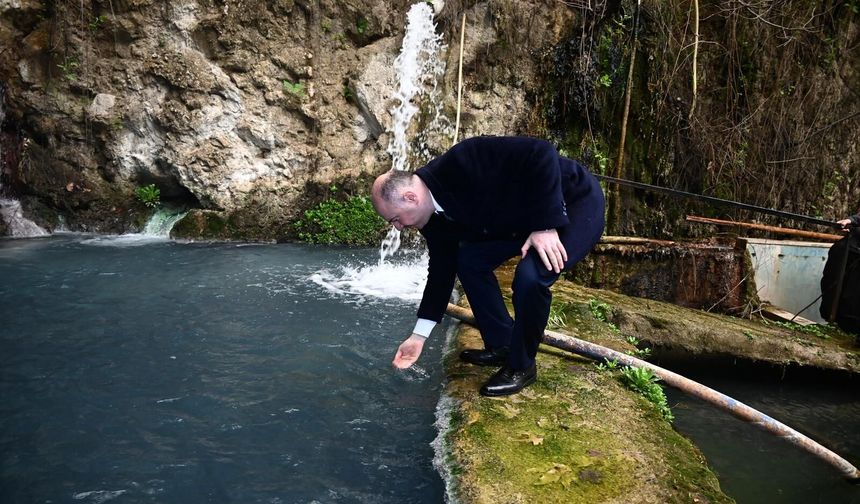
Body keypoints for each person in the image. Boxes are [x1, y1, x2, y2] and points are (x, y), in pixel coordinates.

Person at [370, 136, 605, 396]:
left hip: (571, 202)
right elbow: (441, 271)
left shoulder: (465, 158)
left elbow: (542, 151)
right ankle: (502, 345)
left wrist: (545, 225)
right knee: (469, 261)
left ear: (410, 197)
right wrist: (418, 337)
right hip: (519, 221)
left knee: (530, 276)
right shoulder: (431, 219)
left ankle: (521, 366)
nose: (398, 228)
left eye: (395, 219)